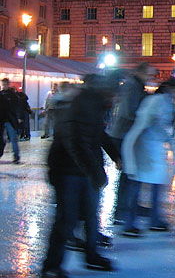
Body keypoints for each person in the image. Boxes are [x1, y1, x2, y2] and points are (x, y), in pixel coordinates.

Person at [42, 74, 121, 277]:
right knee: (66, 219)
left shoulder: (93, 104)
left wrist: (115, 155)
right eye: (114, 92)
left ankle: (92, 256)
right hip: (68, 170)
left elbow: (97, 134)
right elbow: (75, 142)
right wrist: (95, 173)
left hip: (81, 170)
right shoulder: (83, 104)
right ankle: (51, 266)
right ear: (106, 90)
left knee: (90, 215)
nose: (116, 98)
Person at [121, 78, 175, 237]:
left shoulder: (164, 101)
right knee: (137, 184)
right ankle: (130, 222)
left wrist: (169, 141)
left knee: (155, 184)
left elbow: (162, 126)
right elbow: (145, 122)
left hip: (153, 147)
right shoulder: (156, 101)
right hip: (143, 147)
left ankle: (153, 219)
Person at [109, 63, 157, 223]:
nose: (150, 78)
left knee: (131, 173)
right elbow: (129, 111)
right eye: (149, 75)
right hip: (123, 134)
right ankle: (122, 209)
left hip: (126, 134)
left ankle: (129, 205)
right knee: (129, 173)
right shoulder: (132, 87)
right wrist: (146, 119)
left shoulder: (135, 86)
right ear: (141, 73)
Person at [0, 79, 21, 163]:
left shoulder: (12, 95)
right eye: (2, 85)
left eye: (5, 84)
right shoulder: (1, 94)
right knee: (2, 139)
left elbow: (17, 106)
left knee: (13, 138)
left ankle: (16, 155)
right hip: (2, 120)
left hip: (10, 120)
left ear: (8, 84)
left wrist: (19, 117)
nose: (3, 86)